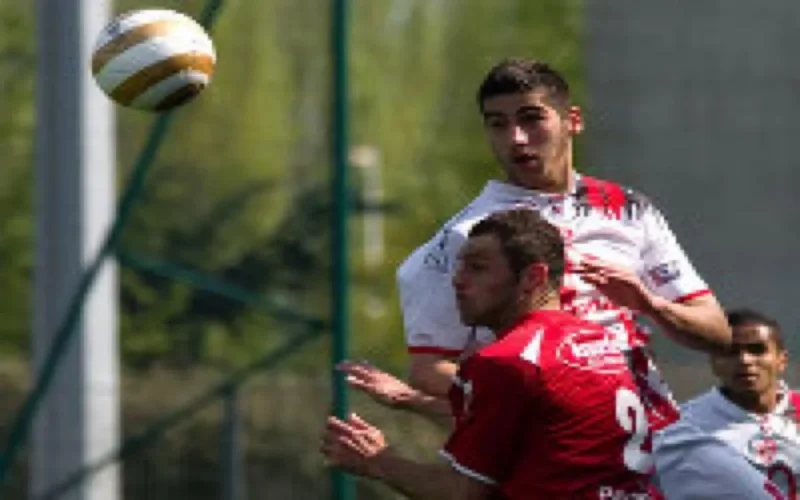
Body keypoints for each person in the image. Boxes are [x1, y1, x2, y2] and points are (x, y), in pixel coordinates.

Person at [341, 57, 730, 432]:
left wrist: (649, 304)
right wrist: (549, 393)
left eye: (531, 119)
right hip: (554, 454)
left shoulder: (629, 209)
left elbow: (716, 332)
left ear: (572, 121)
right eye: (499, 125)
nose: (516, 139)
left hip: (653, 435)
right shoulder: (468, 235)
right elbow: (429, 369)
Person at [322, 209, 655, 499]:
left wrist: (377, 460)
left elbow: (463, 491)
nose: (457, 280)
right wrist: (408, 399)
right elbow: (529, 430)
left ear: (532, 277)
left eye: (477, 268)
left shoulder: (509, 360)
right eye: (459, 267)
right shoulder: (599, 340)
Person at [653, 309, 799, 499]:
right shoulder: (682, 429)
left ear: (782, 360)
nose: (745, 360)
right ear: (713, 362)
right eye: (730, 352)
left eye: (757, 350)